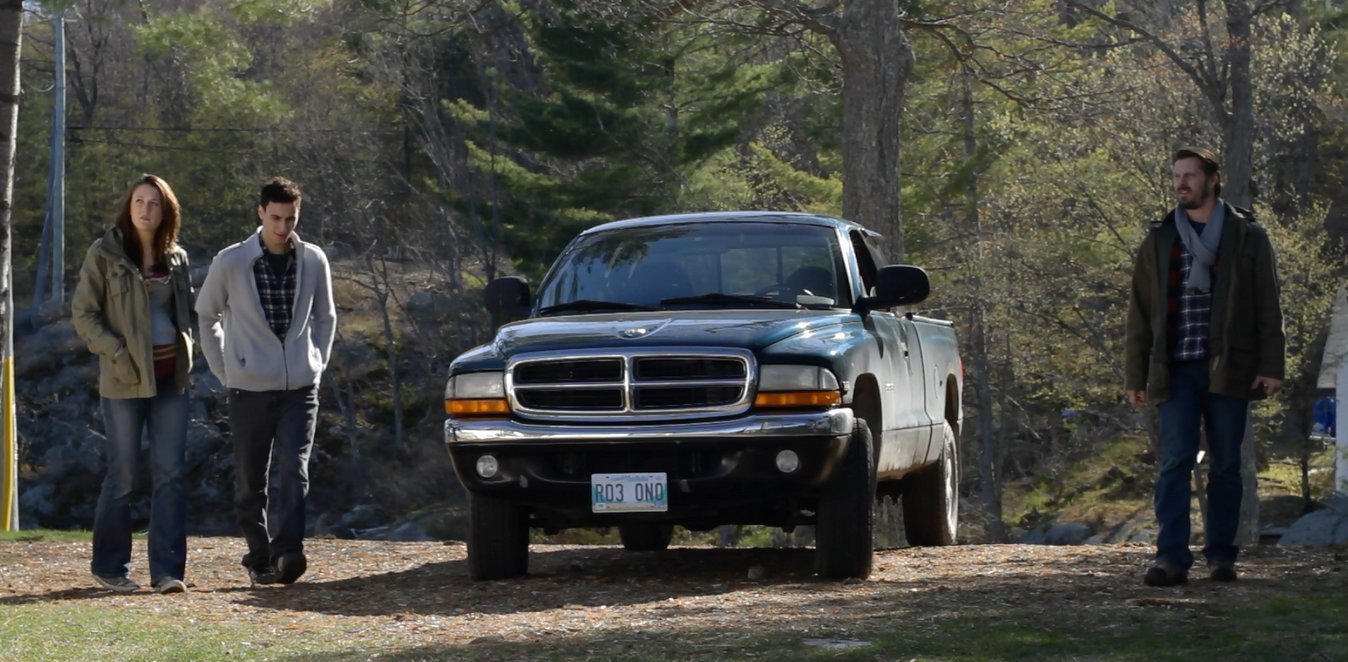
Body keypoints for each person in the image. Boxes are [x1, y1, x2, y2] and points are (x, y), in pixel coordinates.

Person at [1125, 147, 1285, 587]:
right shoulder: (1161, 238)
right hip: (1174, 368)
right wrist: (1135, 376)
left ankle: (1221, 557)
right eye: (1177, 175)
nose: (1181, 183)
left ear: (1212, 180)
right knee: (1175, 462)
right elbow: (1140, 312)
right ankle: (1171, 559)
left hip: (1230, 367)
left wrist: (1272, 365)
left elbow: (1268, 305)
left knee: (1226, 466)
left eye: (1190, 176)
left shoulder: (1247, 236)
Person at [195, 176, 336, 586]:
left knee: (294, 469)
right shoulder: (231, 261)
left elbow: (326, 316)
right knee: (250, 479)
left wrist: (318, 361)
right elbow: (207, 316)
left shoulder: (313, 260)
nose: (282, 227)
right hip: (248, 388)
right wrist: (226, 370)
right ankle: (259, 556)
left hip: (300, 387)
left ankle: (289, 551)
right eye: (275, 217)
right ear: (261, 213)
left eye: (290, 218)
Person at [72, 174, 196, 595]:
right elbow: (84, 313)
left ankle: (167, 572)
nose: (146, 209)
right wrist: (118, 352)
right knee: (123, 476)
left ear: (166, 212)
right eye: (139, 201)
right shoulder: (104, 253)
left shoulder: (176, 258)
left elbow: (187, 315)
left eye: (155, 203)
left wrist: (191, 349)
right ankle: (109, 567)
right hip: (123, 381)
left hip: (170, 381)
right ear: (128, 207)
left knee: (171, 475)